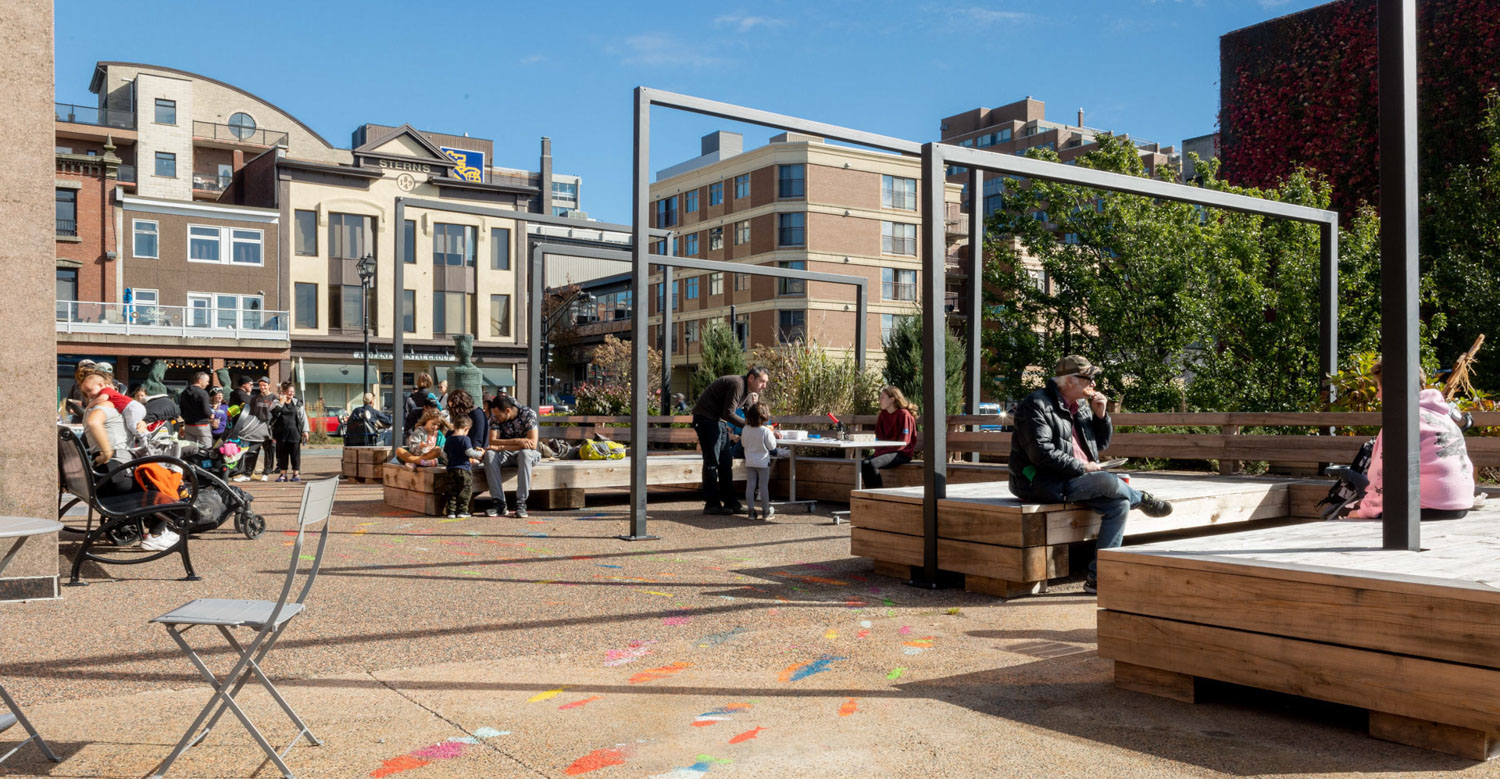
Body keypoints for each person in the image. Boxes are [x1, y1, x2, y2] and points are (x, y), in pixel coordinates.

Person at [1008, 355, 1172, 595]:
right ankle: (1143, 499)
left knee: (1119, 505)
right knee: (1109, 481)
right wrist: (1083, 467)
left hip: (1079, 478)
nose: (1093, 384)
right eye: (1089, 378)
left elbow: (1101, 445)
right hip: (1042, 481)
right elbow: (1041, 454)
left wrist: (1101, 415)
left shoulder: (1083, 406)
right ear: (1069, 381)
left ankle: (1097, 578)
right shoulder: (1036, 404)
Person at [1354, 358, 1477, 520]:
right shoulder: (1442, 416)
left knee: (1347, 518)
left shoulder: (1401, 421)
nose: (1377, 396)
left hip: (1424, 508)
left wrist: (1362, 512)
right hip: (1460, 504)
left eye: (1379, 388)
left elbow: (1382, 478)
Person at [78, 368, 180, 550]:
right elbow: (95, 422)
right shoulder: (104, 406)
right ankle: (156, 535)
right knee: (167, 483)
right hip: (115, 476)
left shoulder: (93, 407)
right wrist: (108, 451)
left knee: (155, 478)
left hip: (104, 477)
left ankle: (158, 531)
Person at [691, 368, 768, 515]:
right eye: (762, 381)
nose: (764, 386)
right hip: (705, 419)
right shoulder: (737, 384)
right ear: (751, 378)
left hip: (717, 421)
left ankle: (731, 503)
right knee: (711, 462)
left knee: (726, 462)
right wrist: (750, 426)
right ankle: (712, 505)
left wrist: (762, 426)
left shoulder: (749, 391)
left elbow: (749, 414)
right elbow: (728, 413)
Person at [482, 394, 541, 517]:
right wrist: (518, 441)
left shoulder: (528, 414)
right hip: (508, 452)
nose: (496, 419)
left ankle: (521, 502)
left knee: (524, 453)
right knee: (490, 454)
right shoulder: (495, 415)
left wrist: (502, 446)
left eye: (499, 416)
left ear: (508, 411)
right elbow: (493, 441)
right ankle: (499, 503)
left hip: (528, 454)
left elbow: (532, 444)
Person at [862, 385, 919, 489]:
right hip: (885, 452)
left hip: (901, 453)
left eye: (882, 397)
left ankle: (878, 495)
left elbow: (904, 442)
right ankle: (871, 494)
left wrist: (883, 452)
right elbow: (878, 437)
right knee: (864, 463)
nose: (879, 400)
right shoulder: (883, 415)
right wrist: (880, 451)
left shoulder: (904, 414)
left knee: (871, 464)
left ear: (892, 399)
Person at [741, 402, 781, 521]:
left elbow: (743, 443)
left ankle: (751, 512)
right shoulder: (765, 431)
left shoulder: (745, 429)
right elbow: (772, 446)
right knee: (763, 487)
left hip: (750, 461)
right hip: (763, 462)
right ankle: (765, 512)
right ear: (764, 416)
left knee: (750, 486)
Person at [440, 415, 484, 518]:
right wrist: (480, 454)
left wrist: (449, 462)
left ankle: (451, 511)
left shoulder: (449, 439)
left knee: (452, 490)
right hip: (464, 468)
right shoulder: (465, 439)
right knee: (465, 489)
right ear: (466, 428)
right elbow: (469, 452)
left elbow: (444, 454)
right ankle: (462, 510)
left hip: (451, 468)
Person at [270, 381, 309, 482]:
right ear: (283, 392)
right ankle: (283, 474)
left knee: (295, 454)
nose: (291, 393)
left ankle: (296, 474)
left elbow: (303, 417)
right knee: (282, 454)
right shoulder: (276, 402)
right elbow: (273, 414)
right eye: (289, 392)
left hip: (294, 432)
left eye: (293, 391)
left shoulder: (297, 403)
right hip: (281, 433)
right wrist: (281, 403)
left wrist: (305, 431)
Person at [179, 371, 215, 448]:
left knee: (190, 449)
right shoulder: (203, 393)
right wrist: (212, 415)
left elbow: (181, 411)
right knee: (206, 449)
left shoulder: (184, 393)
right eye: (207, 381)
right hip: (202, 425)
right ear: (200, 380)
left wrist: (181, 425)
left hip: (188, 425)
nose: (208, 383)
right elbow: (206, 410)